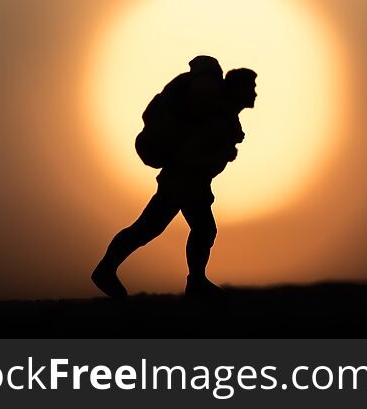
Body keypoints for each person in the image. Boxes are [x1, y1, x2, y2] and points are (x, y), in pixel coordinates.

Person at [91, 57, 258, 299]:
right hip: (184, 181)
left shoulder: (222, 113)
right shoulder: (216, 115)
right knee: (183, 228)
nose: (254, 94)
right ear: (238, 88)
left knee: (153, 229)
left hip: (189, 181)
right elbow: (196, 151)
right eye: (251, 87)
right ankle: (193, 282)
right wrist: (221, 152)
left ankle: (193, 281)